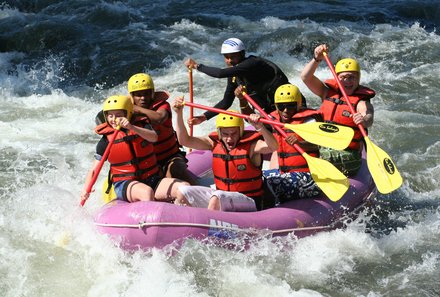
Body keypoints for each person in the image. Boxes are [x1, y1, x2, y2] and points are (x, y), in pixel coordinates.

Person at [172, 96, 279, 211]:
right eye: (225, 134)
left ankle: (208, 226)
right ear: (219, 132)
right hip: (223, 196)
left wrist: (260, 127)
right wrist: (178, 113)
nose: (229, 139)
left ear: (240, 131)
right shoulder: (213, 143)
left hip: (249, 200)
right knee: (183, 192)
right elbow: (184, 141)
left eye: (233, 133)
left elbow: (273, 146)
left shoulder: (252, 146)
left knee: (217, 197)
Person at [80, 95, 190, 205]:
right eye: (110, 116)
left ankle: (180, 215)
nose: (114, 119)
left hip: (152, 179)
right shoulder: (105, 141)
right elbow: (94, 169)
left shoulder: (142, 126)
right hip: (125, 183)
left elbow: (154, 137)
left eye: (118, 115)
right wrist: (86, 188)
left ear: (127, 114)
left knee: (184, 188)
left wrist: (132, 127)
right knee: (147, 193)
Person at [184, 37, 304, 125]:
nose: (230, 61)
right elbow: (226, 102)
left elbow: (220, 73)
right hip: (272, 113)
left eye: (233, 56)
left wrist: (197, 66)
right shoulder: (234, 75)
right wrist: (203, 118)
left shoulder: (253, 63)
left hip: (292, 107)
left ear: (242, 54)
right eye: (226, 57)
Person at [301, 44, 375, 176]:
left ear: (358, 79)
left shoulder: (360, 101)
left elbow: (368, 115)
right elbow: (306, 77)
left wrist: (363, 120)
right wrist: (316, 59)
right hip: (324, 145)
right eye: (343, 77)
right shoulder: (326, 93)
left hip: (347, 153)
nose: (347, 81)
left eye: (352, 77)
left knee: (320, 156)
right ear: (337, 79)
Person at [126, 73, 198, 185]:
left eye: (146, 94)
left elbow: (159, 118)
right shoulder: (127, 113)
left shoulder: (163, 106)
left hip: (169, 158)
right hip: (146, 164)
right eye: (138, 95)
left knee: (175, 170)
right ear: (131, 96)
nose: (143, 98)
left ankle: (198, 192)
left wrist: (137, 109)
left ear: (152, 93)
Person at [263, 84, 322, 204]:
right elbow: (252, 121)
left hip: (309, 178)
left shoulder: (309, 121)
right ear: (276, 106)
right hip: (284, 175)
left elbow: (319, 146)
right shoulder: (273, 120)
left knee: (271, 182)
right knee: (257, 179)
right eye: (281, 106)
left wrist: (299, 143)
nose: (286, 110)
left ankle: (270, 212)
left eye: (291, 106)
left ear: (298, 105)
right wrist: (243, 102)